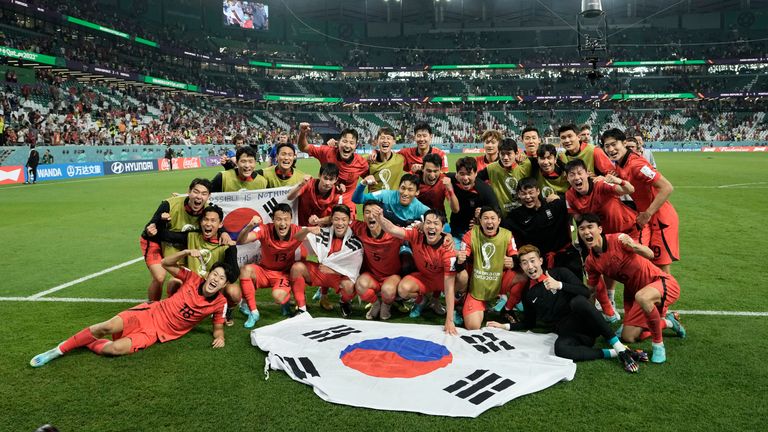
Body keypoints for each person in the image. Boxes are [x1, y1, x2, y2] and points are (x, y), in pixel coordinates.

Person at [30, 249, 237, 367]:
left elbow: (218, 327)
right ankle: (59, 350)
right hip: (151, 312)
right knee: (108, 326)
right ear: (208, 274)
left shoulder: (219, 303)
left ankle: (86, 343)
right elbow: (165, 263)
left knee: (114, 349)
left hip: (157, 333)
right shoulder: (192, 278)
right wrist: (185, 252)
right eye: (214, 274)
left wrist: (220, 336)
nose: (216, 280)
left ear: (224, 284)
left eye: (221, 279)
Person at [487, 245, 647, 373]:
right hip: (570, 333)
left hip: (587, 324)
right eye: (524, 262)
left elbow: (585, 292)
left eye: (532, 260)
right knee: (560, 349)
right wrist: (504, 326)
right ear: (521, 266)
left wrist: (560, 285)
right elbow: (528, 323)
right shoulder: (527, 293)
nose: (530, 266)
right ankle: (618, 353)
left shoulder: (560, 273)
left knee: (578, 302)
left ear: (541, 261)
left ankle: (618, 346)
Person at [578, 214, 686, 363]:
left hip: (661, 282)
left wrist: (634, 245)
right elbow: (591, 291)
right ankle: (669, 322)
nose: (586, 232)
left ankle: (658, 345)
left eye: (590, 227)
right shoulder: (591, 262)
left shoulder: (618, 239)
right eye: (582, 228)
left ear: (600, 229)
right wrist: (585, 314)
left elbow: (650, 254)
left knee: (643, 297)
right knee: (628, 337)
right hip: (636, 295)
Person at [602, 129, 679, 273]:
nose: (611, 149)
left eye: (614, 144)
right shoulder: (620, 164)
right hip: (647, 219)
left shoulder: (637, 165)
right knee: (646, 266)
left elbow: (667, 188)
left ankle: (667, 294)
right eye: (607, 146)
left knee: (661, 268)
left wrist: (647, 214)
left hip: (661, 219)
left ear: (624, 143)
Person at [372, 207, 458, 335]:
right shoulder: (416, 235)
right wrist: (380, 219)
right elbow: (393, 229)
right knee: (403, 289)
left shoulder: (448, 249)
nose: (431, 227)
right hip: (424, 278)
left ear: (443, 227)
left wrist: (449, 320)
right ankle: (422, 300)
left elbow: (449, 287)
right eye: (428, 223)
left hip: (442, 281)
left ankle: (456, 307)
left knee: (462, 279)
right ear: (423, 224)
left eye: (436, 224)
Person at [140, 178, 213, 301]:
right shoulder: (169, 205)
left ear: (209, 196)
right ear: (189, 192)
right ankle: (152, 307)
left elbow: (216, 228)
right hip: (155, 242)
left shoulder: (208, 211)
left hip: (182, 246)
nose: (199, 196)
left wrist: (224, 234)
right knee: (159, 277)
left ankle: (173, 305)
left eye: (204, 194)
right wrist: (151, 229)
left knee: (178, 281)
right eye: (196, 192)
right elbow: (152, 227)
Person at [237, 204, 309, 327]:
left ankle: (286, 302)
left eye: (286, 219)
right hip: (264, 271)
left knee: (279, 297)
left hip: (283, 274)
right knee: (245, 270)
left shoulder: (297, 231)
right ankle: (253, 312)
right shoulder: (264, 229)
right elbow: (241, 240)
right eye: (279, 219)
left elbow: (320, 239)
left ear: (291, 219)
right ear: (272, 219)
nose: (282, 223)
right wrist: (249, 226)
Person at [455, 206, 526, 330]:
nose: (489, 222)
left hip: (499, 281)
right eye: (485, 218)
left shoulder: (507, 234)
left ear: (499, 220)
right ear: (480, 220)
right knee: (472, 326)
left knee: (524, 275)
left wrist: (513, 262)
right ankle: (465, 302)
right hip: (477, 286)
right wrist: (460, 260)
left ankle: (507, 309)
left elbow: (515, 256)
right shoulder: (471, 234)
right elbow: (461, 261)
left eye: (493, 218)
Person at [290, 205, 364, 317]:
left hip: (339, 276)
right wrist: (308, 229)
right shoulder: (323, 232)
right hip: (321, 272)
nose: (340, 223)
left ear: (349, 221)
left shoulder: (355, 242)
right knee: (297, 267)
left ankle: (344, 302)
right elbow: (297, 237)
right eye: (336, 219)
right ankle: (301, 308)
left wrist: (333, 270)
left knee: (349, 286)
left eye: (344, 219)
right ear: (331, 220)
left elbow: (354, 270)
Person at [502, 178, 583, 279]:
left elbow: (578, 199)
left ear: (538, 191)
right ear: (518, 195)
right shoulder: (515, 217)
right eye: (523, 193)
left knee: (576, 288)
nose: (527, 197)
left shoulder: (554, 205)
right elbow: (500, 231)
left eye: (531, 192)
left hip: (566, 257)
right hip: (540, 263)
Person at [351, 200, 405, 320]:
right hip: (372, 275)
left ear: (382, 215)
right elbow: (340, 219)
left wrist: (445, 235)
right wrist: (318, 221)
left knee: (388, 290)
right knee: (360, 285)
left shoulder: (394, 232)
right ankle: (376, 303)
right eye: (367, 212)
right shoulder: (360, 228)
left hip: (392, 276)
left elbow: (416, 233)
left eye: (375, 212)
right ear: (363, 215)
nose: (371, 216)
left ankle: (386, 305)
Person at [298, 123, 368, 213]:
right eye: (345, 141)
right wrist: (303, 132)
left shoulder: (361, 162)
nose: (347, 145)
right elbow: (304, 147)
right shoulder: (326, 152)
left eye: (351, 143)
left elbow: (372, 179)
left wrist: (375, 153)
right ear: (338, 142)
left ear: (356, 145)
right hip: (325, 207)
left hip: (347, 210)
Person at [448, 157, 499, 248]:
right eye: (462, 174)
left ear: (475, 174)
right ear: (457, 174)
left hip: (478, 234)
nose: (465, 178)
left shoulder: (484, 190)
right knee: (456, 258)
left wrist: (483, 213)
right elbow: (435, 175)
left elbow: (497, 212)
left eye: (469, 174)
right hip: (456, 232)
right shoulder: (450, 179)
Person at [477, 138, 531, 217]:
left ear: (516, 153)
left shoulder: (525, 166)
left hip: (524, 215)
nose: (505, 157)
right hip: (502, 217)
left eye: (509, 154)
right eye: (502, 154)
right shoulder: (491, 168)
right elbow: (476, 180)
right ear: (499, 153)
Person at [352, 173, 429, 227]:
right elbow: (357, 199)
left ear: (417, 192)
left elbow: (437, 222)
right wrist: (363, 183)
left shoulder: (420, 208)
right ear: (398, 187)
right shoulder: (385, 195)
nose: (405, 193)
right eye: (403, 188)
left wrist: (423, 225)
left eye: (410, 190)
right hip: (382, 238)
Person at [415, 153, 459, 220]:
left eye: (435, 171)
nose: (432, 175)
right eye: (429, 171)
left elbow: (455, 209)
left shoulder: (443, 181)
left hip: (439, 219)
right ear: (422, 169)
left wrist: (450, 189)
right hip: (418, 219)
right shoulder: (415, 181)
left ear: (440, 170)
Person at [367, 127, 405, 192]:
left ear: (394, 142)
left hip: (392, 201)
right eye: (382, 138)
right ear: (377, 141)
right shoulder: (369, 160)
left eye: (388, 138)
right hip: (373, 201)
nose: (385, 141)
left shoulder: (400, 159)